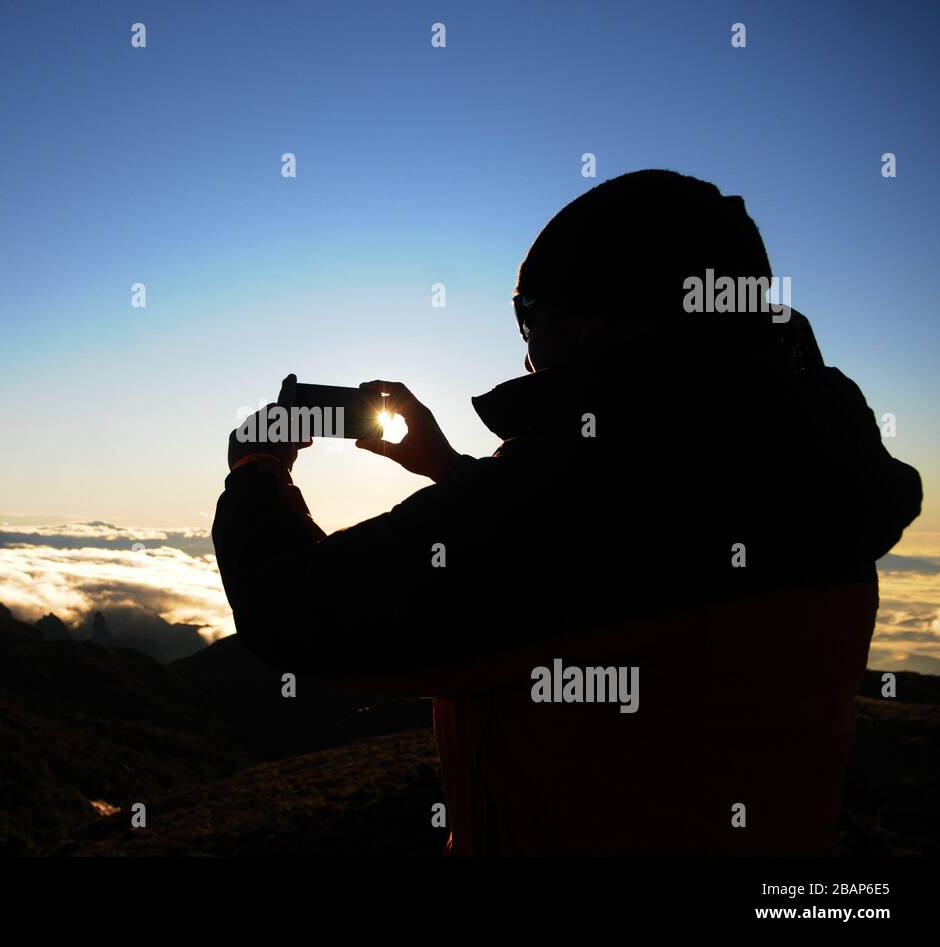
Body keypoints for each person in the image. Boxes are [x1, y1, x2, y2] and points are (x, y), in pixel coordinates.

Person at [213, 170, 923, 855]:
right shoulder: (805, 469)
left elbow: (301, 612)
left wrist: (257, 467)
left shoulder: (580, 493)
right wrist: (451, 472)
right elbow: (585, 566)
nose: (525, 355)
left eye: (528, 314)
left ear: (593, 317)